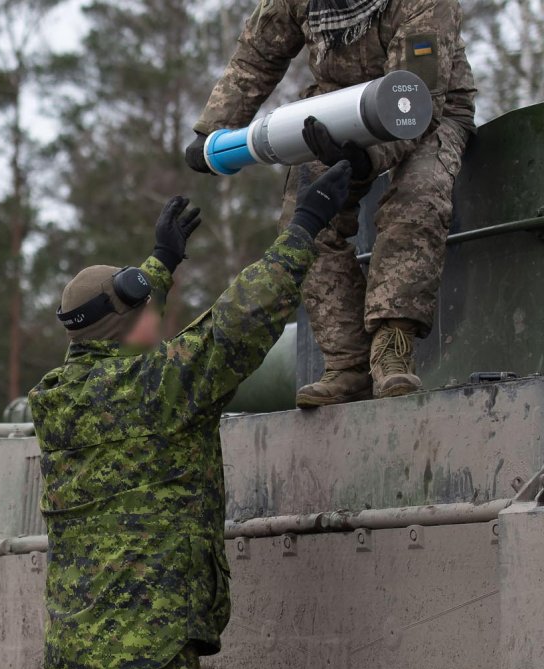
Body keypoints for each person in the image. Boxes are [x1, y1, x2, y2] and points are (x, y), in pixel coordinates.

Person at [29, 163, 352, 669]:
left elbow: (113, 322)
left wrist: (159, 264)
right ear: (127, 330)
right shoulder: (161, 388)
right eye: (142, 311)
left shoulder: (57, 401)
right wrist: (302, 229)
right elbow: (237, 323)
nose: (155, 316)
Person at [186, 0, 476, 405]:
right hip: (335, 112)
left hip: (429, 111)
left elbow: (416, 100)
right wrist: (214, 130)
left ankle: (393, 350)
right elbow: (258, 53)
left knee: (417, 198)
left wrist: (367, 159)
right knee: (304, 222)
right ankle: (347, 365)